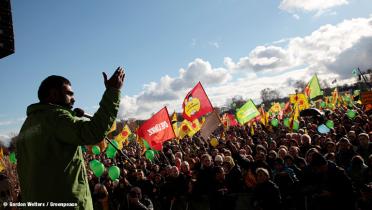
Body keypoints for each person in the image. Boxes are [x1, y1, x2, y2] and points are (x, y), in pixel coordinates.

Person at [16, 67, 125, 209]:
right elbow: (94, 131)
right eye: (69, 93)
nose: (73, 98)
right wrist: (113, 91)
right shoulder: (56, 118)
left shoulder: (27, 126)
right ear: (54, 94)